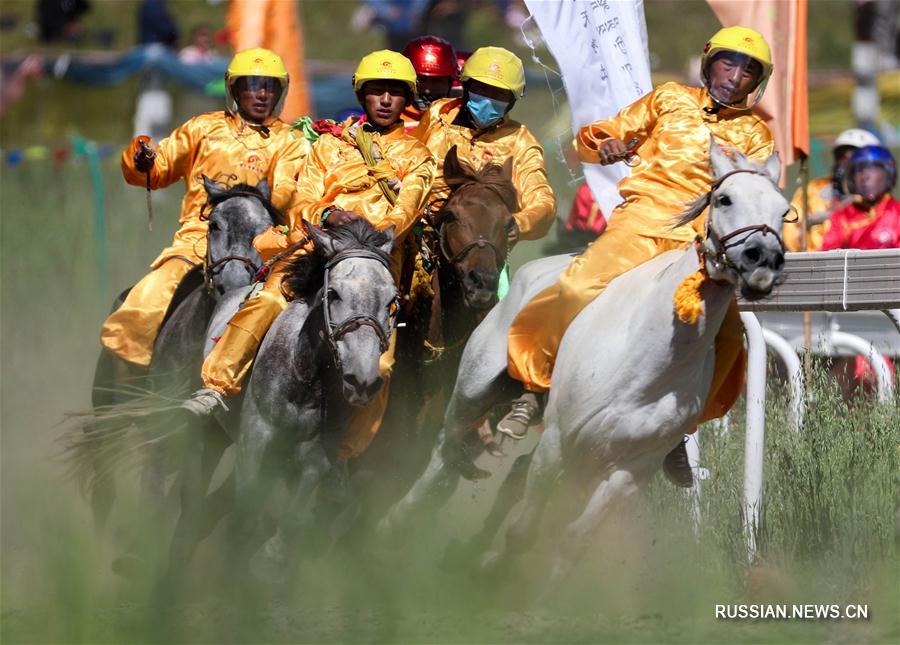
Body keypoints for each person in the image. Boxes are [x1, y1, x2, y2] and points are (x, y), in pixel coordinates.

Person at [501, 27, 775, 488]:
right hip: (641, 224)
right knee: (575, 287)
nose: (737, 76)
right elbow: (595, 135)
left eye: (750, 70)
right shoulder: (667, 98)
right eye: (729, 63)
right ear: (710, 64)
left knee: (729, 339)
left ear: (757, 83)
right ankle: (533, 389)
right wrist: (606, 144)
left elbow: (749, 195)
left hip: (699, 247)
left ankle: (676, 432)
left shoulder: (757, 135)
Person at [185, 50, 436, 462]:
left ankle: (346, 452)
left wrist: (361, 229)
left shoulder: (418, 156)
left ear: (405, 98)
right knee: (264, 300)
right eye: (377, 91)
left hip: (374, 261)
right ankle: (217, 387)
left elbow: (404, 213)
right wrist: (326, 214)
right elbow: (303, 200)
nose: (386, 100)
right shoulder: (329, 146)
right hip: (316, 247)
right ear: (363, 95)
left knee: (383, 363)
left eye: (394, 92)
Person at [101, 48, 311, 370]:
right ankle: (127, 386)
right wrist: (142, 158)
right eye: (253, 84)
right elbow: (158, 171)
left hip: (263, 248)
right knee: (145, 301)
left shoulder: (291, 142)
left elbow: (285, 195)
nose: (262, 93)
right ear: (235, 89)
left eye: (269, 86)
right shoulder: (202, 129)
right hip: (197, 242)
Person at [413, 46, 556, 244]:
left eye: (499, 94)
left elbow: (543, 202)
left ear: (513, 100)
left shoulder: (521, 142)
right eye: (481, 89)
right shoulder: (438, 114)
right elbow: (408, 162)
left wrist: (517, 223)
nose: (488, 100)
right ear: (465, 86)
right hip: (419, 234)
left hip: (476, 245)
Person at [783, 128, 882, 251]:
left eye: (854, 157)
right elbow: (791, 229)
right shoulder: (813, 190)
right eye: (841, 156)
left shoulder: (882, 202)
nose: (845, 163)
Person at [820, 145, 899, 250]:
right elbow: (827, 257)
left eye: (873, 168)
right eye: (859, 170)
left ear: (888, 173)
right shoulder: (843, 216)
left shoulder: (896, 213)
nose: (864, 176)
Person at [401, 35, 457, 132]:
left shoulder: (461, 124)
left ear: (450, 83)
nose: (428, 89)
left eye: (437, 81)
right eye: (421, 80)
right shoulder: (388, 121)